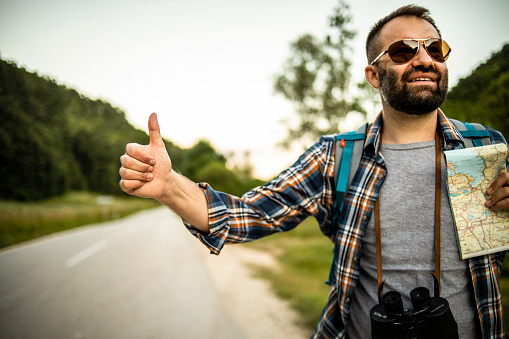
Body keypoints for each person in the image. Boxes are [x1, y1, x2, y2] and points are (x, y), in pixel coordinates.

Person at [119, 5, 509, 339]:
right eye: (404, 50)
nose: (424, 59)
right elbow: (251, 215)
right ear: (374, 75)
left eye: (434, 48)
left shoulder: (485, 147)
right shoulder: (336, 157)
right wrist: (168, 185)